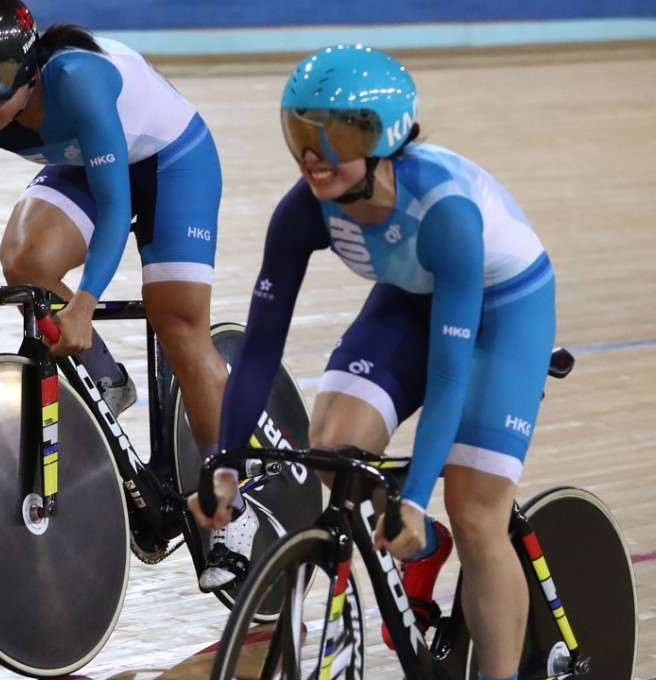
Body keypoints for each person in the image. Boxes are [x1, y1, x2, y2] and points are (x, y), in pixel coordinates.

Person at [188, 44, 555, 680]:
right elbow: (261, 348)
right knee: (334, 447)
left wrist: (417, 494)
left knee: (475, 513)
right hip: (412, 296)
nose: (312, 156)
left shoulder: (445, 214)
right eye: (301, 134)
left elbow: (449, 374)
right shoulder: (303, 211)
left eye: (334, 137)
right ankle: (423, 549)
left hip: (504, 310)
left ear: (385, 139)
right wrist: (225, 463)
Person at [0, 0, 234, 583]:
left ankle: (231, 505)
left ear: (25, 65)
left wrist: (85, 302)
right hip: (88, 161)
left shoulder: (77, 79)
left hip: (172, 163)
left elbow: (116, 205)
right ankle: (108, 378)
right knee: (25, 261)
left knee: (178, 325)